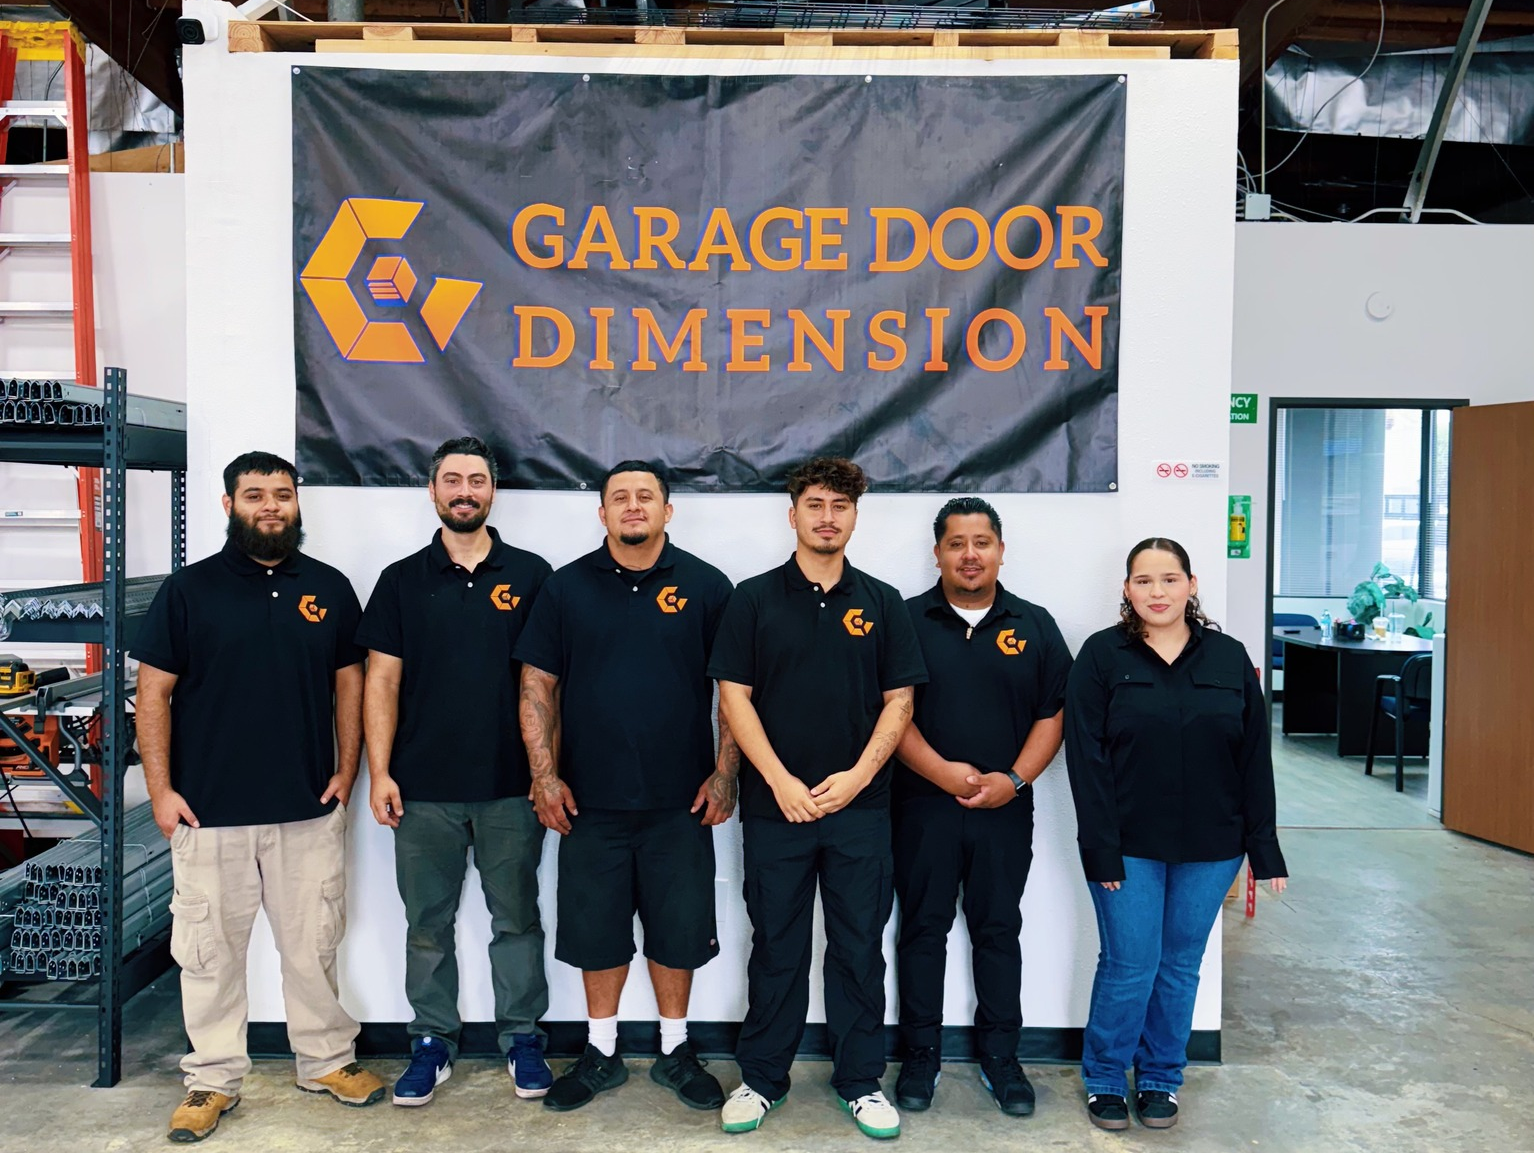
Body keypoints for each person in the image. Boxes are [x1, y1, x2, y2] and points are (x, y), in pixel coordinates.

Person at [133, 451, 385, 1144]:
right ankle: (211, 1079)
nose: (270, 506)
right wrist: (160, 790)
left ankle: (326, 1061)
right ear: (229, 505)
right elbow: (152, 693)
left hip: (306, 808)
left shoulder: (329, 588)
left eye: (282, 494)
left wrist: (349, 768)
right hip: (208, 812)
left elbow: (350, 686)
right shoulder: (189, 591)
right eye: (255, 495)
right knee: (209, 954)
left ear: (297, 503)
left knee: (313, 946)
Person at [708, 457, 927, 1141]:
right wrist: (776, 779)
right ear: (793, 513)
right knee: (776, 944)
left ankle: (860, 1080)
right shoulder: (753, 599)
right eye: (815, 504)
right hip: (779, 809)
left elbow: (901, 699)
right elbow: (733, 695)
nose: (827, 515)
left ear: (855, 516)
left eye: (840, 505)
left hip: (861, 810)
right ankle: (762, 1076)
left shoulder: (883, 601)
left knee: (859, 946)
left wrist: (859, 775)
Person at [515, 460, 737, 1114]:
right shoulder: (566, 588)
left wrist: (727, 772)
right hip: (590, 801)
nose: (633, 506)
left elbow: (733, 693)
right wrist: (543, 773)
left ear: (668, 511)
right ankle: (602, 1052)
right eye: (620, 497)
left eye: (646, 497)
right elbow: (537, 687)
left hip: (682, 802)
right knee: (597, 930)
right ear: (603, 513)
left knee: (678, 930)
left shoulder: (706, 585)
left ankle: (675, 1049)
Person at [1063, 537, 1288, 1132]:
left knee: (1181, 965)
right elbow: (1086, 761)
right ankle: (1108, 1079)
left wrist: (1264, 852)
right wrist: (1101, 847)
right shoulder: (1101, 657)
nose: (1157, 592)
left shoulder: (1228, 657)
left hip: (1213, 846)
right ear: (1126, 589)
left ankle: (1162, 1077)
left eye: (1169, 579)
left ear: (1191, 585)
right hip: (1129, 846)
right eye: (1144, 580)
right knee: (1129, 964)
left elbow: (1254, 758)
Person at [358, 436, 553, 1107]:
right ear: (433, 490)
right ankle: (431, 1042)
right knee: (426, 925)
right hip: (422, 790)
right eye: (452, 479)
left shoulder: (532, 575)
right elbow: (379, 682)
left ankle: (523, 1038)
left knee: (517, 922)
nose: (464, 489)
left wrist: (546, 772)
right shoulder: (401, 579)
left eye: (476, 479)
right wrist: (379, 772)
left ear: (492, 490)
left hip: (511, 788)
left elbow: (548, 684)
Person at [891, 497, 1072, 1118]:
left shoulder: (1036, 624)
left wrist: (1015, 782)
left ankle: (1002, 1057)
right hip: (920, 809)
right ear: (937, 551)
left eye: (982, 542)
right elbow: (893, 714)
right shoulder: (905, 620)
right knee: (921, 931)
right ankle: (920, 1055)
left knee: (998, 932)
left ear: (1000, 549)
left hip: (1003, 812)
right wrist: (941, 773)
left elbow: (1054, 714)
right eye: (956, 543)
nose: (970, 554)